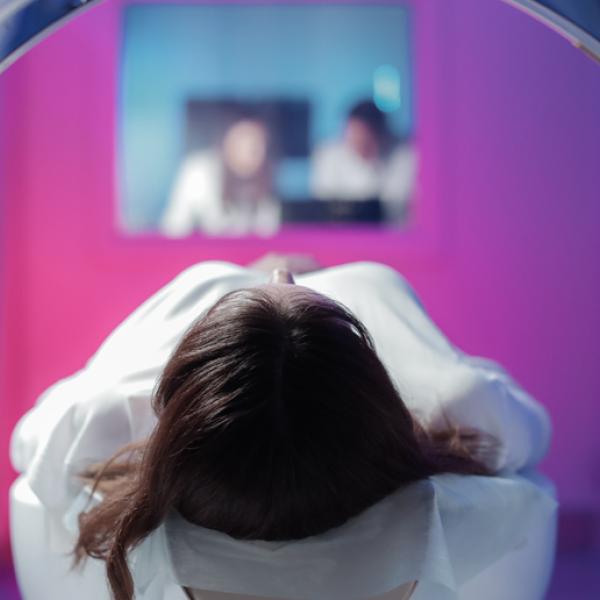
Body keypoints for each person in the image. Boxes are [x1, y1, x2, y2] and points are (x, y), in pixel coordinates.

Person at [10, 257, 552, 600]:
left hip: (215, 302)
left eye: (282, 282)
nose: (279, 274)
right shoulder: (458, 403)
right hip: (336, 313)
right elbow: (537, 434)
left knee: (212, 277)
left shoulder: (112, 413)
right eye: (284, 282)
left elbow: (23, 447)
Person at [160, 117, 280, 237]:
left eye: (253, 147)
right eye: (239, 143)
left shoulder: (267, 181)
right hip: (203, 253)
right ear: (225, 144)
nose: (245, 152)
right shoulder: (199, 171)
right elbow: (173, 228)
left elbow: (268, 235)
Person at [310, 101, 417, 222]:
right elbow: (325, 206)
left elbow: (404, 205)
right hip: (346, 236)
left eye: (365, 136)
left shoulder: (406, 156)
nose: (358, 141)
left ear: (380, 133)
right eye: (353, 134)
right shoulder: (329, 156)